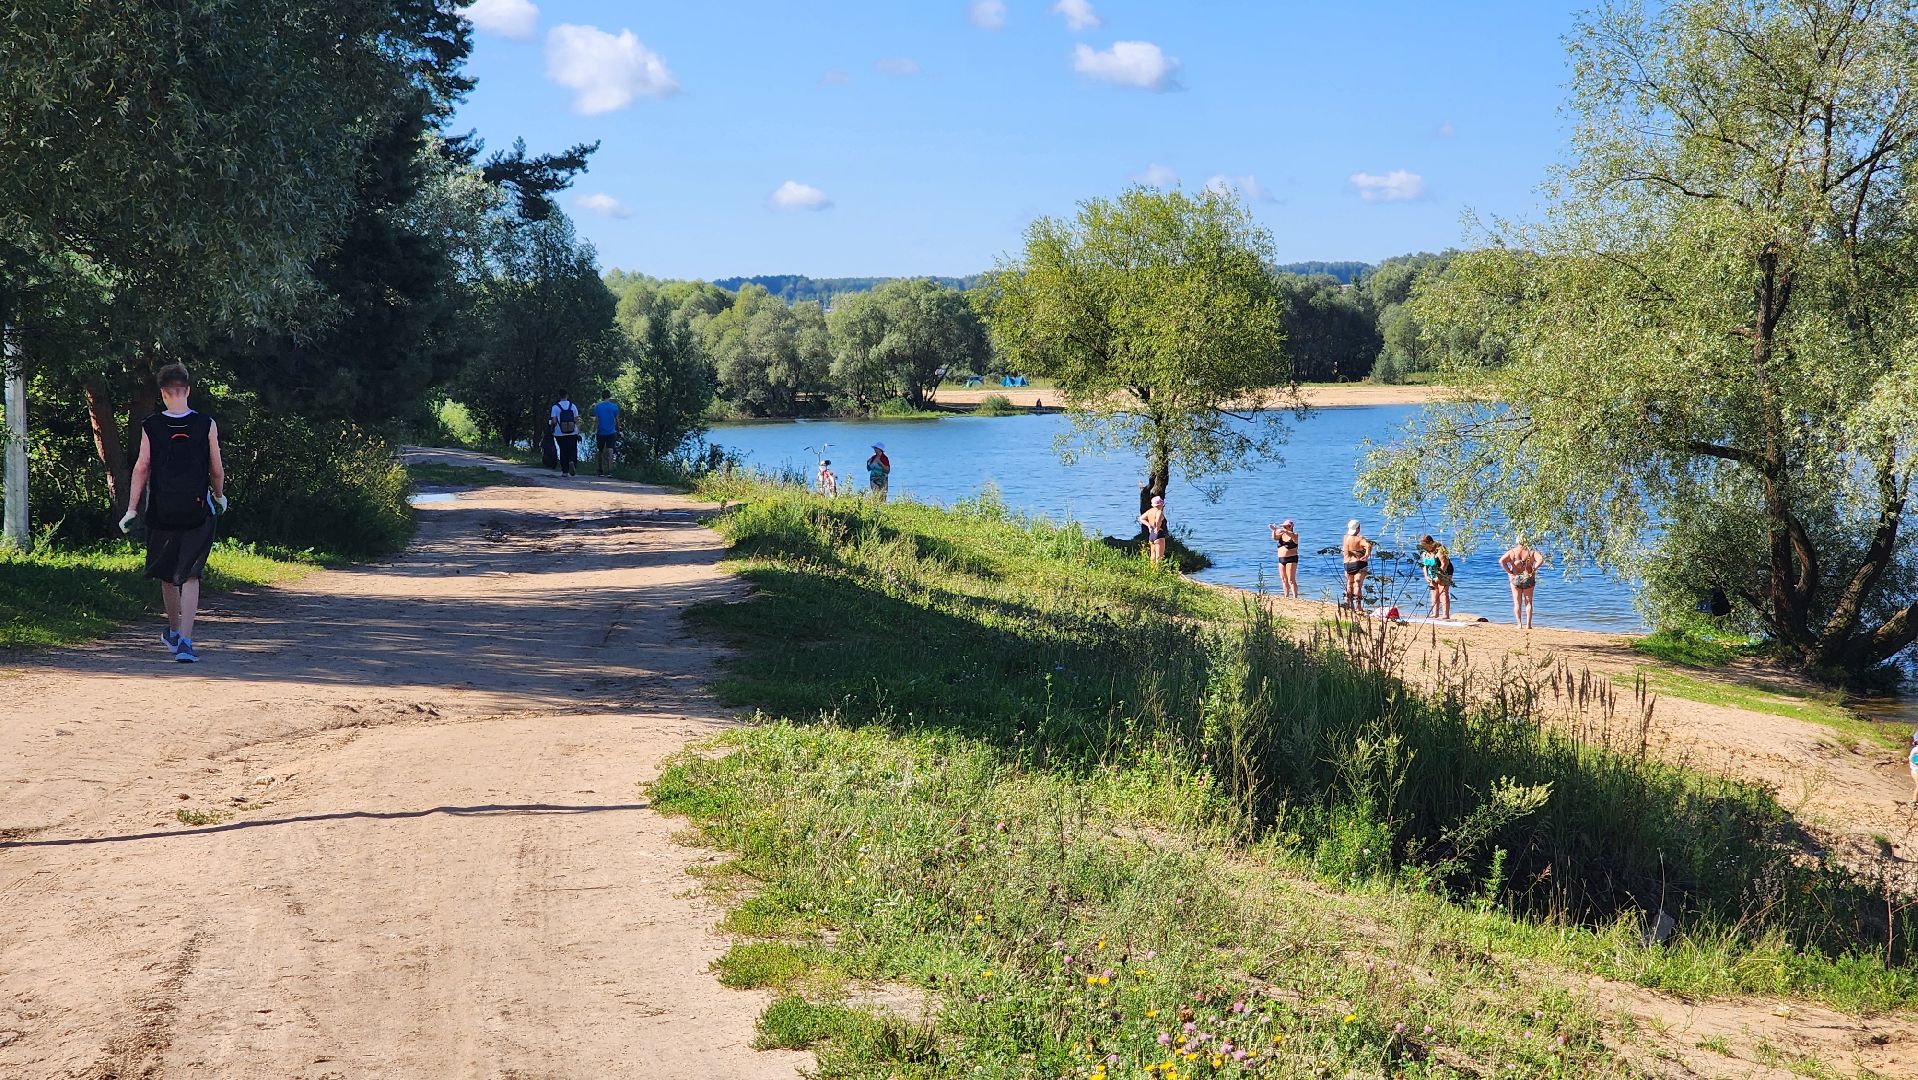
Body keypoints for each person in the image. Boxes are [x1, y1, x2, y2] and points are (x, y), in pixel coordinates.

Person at [119, 362, 227, 664]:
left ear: (163, 394)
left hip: (160, 511)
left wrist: (131, 509)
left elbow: (142, 467)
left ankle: (175, 631)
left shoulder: (151, 426)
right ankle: (186, 644)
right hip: (197, 511)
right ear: (187, 390)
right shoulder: (206, 423)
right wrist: (219, 496)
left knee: (168, 576)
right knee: (191, 575)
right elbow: (216, 469)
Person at [1500, 535, 1544, 629]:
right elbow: (1541, 559)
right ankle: (1528, 625)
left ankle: (1519, 624)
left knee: (1517, 602)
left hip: (1515, 578)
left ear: (1517, 541)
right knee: (1528, 602)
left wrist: (1509, 572)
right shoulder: (1531, 552)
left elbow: (1501, 561)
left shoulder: (1512, 552)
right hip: (1528, 577)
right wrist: (1534, 569)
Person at [1341, 519, 1376, 612]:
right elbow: (1368, 546)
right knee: (1357, 585)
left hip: (1347, 564)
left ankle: (1347, 603)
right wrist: (1366, 555)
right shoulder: (1360, 539)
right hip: (1358, 563)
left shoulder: (1345, 538)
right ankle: (1358, 606)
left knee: (1349, 584)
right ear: (1358, 528)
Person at [1418, 535, 1455, 620]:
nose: (1424, 548)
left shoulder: (1440, 550)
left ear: (1430, 543)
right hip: (1432, 572)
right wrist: (1426, 575)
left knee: (1443, 592)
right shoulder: (1425, 552)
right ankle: (1435, 613)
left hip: (1444, 571)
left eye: (1425, 546)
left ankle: (1445, 614)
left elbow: (1444, 564)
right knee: (1434, 593)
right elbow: (1424, 565)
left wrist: (1439, 576)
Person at [551, 391, 583, 476]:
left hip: (560, 433)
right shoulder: (573, 406)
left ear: (559, 396)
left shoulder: (555, 407)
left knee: (563, 450)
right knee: (573, 449)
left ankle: (565, 471)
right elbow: (576, 420)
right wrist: (578, 430)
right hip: (573, 432)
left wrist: (552, 426)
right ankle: (572, 462)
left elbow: (554, 421)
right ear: (567, 396)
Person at [1268, 519, 1301, 598]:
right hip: (1281, 559)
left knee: (1291, 579)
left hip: (1291, 559)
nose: (1286, 527)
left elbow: (1292, 536)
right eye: (1285, 526)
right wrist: (1274, 530)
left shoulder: (1294, 535)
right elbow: (1274, 538)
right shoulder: (1282, 534)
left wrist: (1284, 530)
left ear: (1291, 526)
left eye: (1288, 526)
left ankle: (1295, 597)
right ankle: (1286, 596)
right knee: (1283, 579)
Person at [590, 390, 620, 475]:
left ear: (602, 396)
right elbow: (617, 420)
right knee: (610, 451)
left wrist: (593, 431)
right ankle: (610, 470)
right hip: (611, 432)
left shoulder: (598, 406)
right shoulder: (614, 406)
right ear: (610, 396)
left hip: (601, 432)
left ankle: (600, 470)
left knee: (600, 451)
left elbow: (597, 420)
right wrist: (619, 430)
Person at [1138, 495, 1168, 565]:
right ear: (1161, 504)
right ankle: (1158, 572)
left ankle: (1152, 570)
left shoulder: (1150, 511)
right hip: (1159, 534)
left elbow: (1141, 518)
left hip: (1151, 535)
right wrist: (1157, 528)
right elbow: (1158, 520)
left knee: (1153, 555)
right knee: (1159, 557)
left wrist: (1148, 525)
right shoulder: (1159, 511)